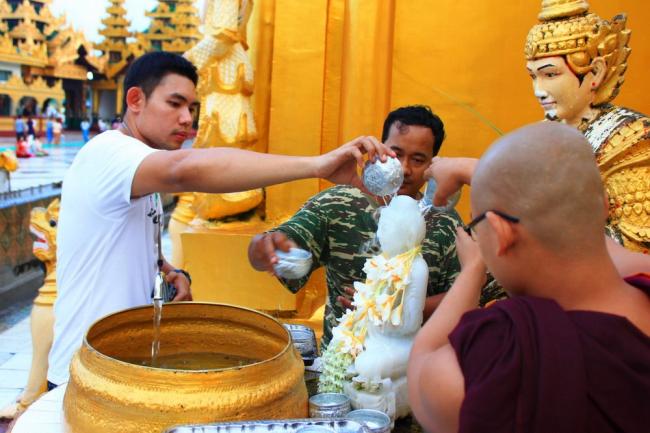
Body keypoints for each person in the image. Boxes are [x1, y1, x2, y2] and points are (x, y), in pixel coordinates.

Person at [47, 51, 393, 388]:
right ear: (135, 100)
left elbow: (129, 243)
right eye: (175, 104)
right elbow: (184, 170)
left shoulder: (138, 165)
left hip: (120, 371)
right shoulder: (109, 153)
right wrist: (316, 165)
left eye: (191, 108)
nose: (187, 119)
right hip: (82, 376)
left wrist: (171, 272)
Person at [407, 122, 650, 433]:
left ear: (500, 234)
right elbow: (566, 209)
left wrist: (472, 271)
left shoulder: (504, 353)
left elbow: (422, 369)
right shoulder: (640, 279)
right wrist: (469, 170)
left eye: (476, 225)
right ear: (603, 205)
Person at [248, 105, 462, 347]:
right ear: (380, 150)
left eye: (418, 160)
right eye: (396, 154)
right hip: (340, 361)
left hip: (415, 361)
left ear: (432, 165)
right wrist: (262, 247)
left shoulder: (445, 221)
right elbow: (274, 248)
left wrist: (396, 309)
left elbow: (467, 297)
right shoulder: (338, 203)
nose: (405, 168)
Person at [525, 0, 650, 252]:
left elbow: (635, 245)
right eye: (533, 76)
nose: (539, 90)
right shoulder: (538, 137)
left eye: (550, 75)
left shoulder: (631, 140)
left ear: (595, 72)